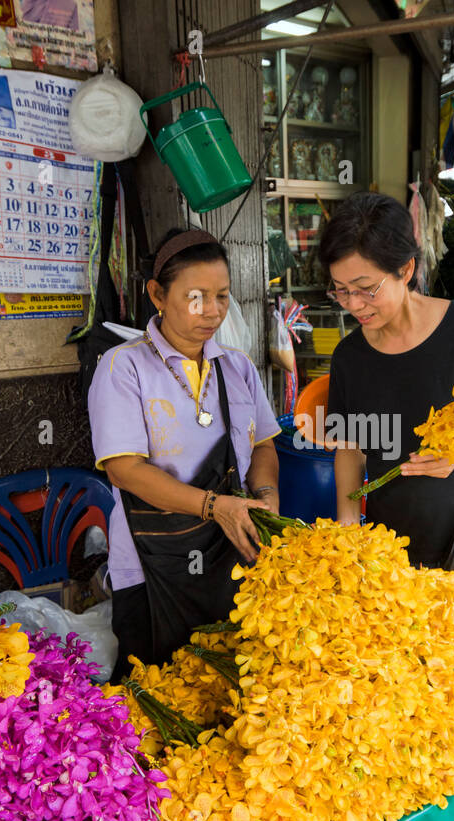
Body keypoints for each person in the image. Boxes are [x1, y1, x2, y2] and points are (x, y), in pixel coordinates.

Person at [321, 191, 454, 690]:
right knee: (410, 687)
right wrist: (348, 525)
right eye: (341, 291)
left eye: (366, 289)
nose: (353, 305)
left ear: (406, 269)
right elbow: (350, 445)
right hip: (396, 546)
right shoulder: (349, 358)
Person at [88, 229, 281, 675]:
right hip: (153, 562)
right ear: (158, 294)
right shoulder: (125, 367)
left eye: (222, 296)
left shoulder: (237, 367)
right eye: (196, 297)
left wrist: (266, 495)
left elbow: (263, 445)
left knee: (226, 684)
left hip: (229, 554)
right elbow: (124, 470)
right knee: (158, 691)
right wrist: (215, 506)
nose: (212, 311)